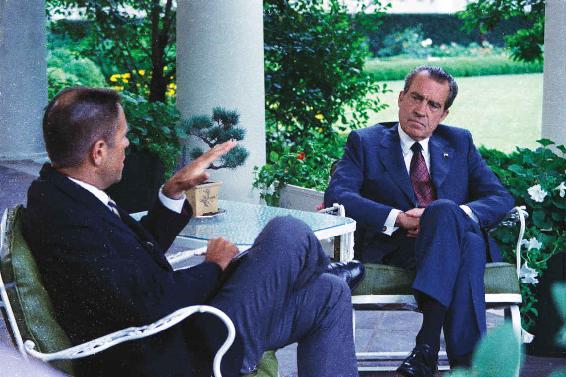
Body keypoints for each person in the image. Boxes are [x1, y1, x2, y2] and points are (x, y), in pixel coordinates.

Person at [23, 87, 364, 377]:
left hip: (176, 334)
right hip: (182, 355)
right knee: (287, 231)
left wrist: (173, 193)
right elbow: (149, 303)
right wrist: (214, 267)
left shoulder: (63, 197)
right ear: (98, 152)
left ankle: (315, 271)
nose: (127, 144)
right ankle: (311, 266)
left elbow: (129, 262)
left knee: (329, 293)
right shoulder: (69, 216)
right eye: (123, 136)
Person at [324, 65, 514, 377]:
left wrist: (447, 217)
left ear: (444, 114)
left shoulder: (460, 142)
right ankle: (468, 367)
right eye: (416, 98)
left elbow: (500, 198)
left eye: (433, 105)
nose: (421, 110)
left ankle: (426, 348)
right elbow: (338, 195)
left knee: (445, 215)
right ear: (401, 98)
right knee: (467, 243)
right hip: (397, 247)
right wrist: (398, 218)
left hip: (446, 246)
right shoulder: (366, 142)